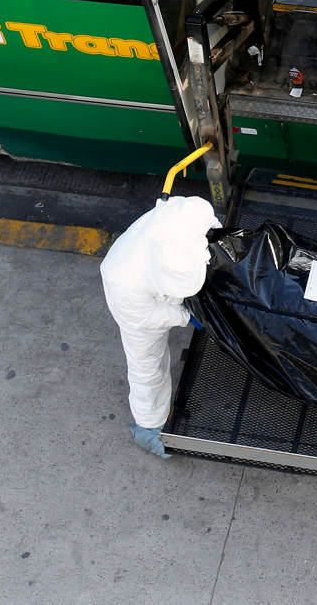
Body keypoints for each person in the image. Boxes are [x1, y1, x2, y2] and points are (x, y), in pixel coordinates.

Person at [99, 196, 220, 458]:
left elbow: (204, 220)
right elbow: (147, 318)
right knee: (147, 367)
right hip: (139, 312)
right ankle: (149, 426)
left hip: (149, 288)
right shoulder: (123, 282)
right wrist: (183, 316)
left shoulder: (179, 217)